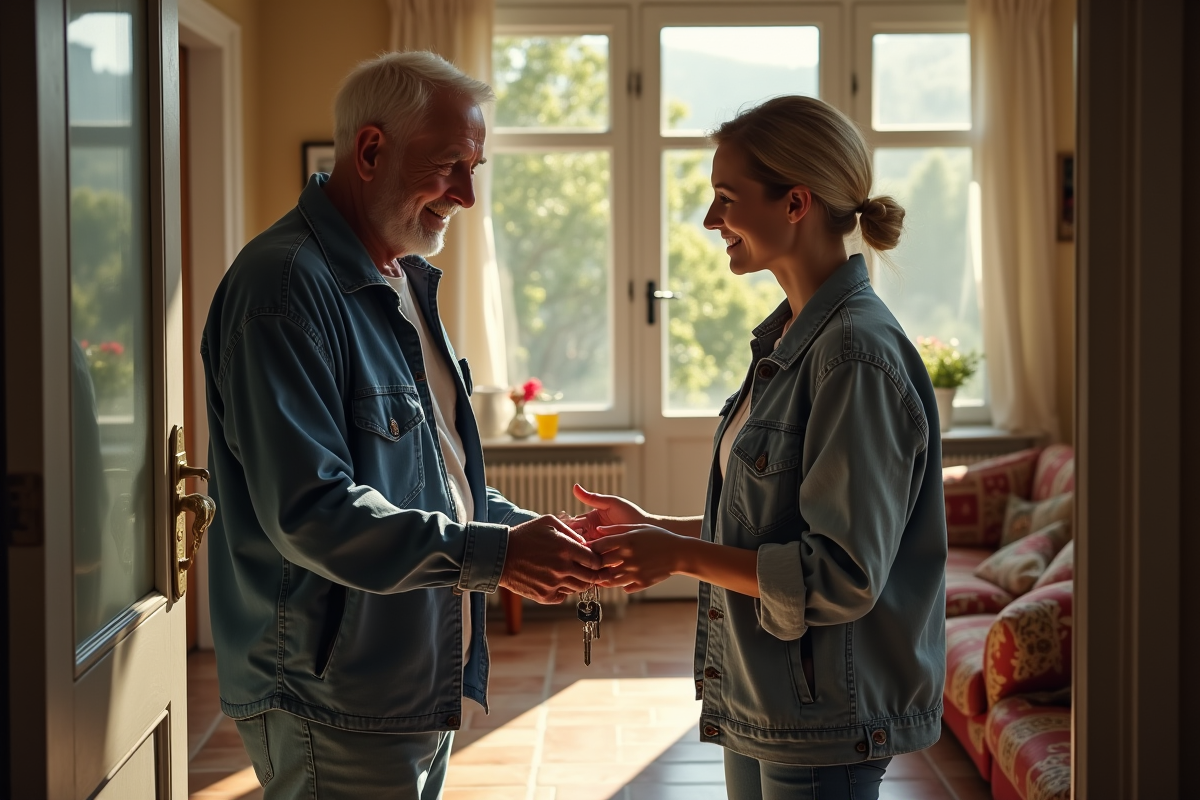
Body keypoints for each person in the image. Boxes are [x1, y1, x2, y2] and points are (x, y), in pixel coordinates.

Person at [201, 51, 603, 800]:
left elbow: (427, 476)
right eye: (452, 164)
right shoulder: (284, 285)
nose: (469, 196)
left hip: (408, 677)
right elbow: (311, 513)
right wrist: (498, 554)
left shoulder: (399, 276)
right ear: (370, 150)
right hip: (334, 700)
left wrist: (529, 533)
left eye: (476, 167)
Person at [574, 95, 947, 800]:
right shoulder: (791, 339)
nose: (712, 220)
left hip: (824, 717)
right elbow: (773, 531)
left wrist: (679, 556)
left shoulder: (854, 356)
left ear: (796, 203)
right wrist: (653, 529)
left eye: (725, 198)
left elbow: (838, 573)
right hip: (767, 700)